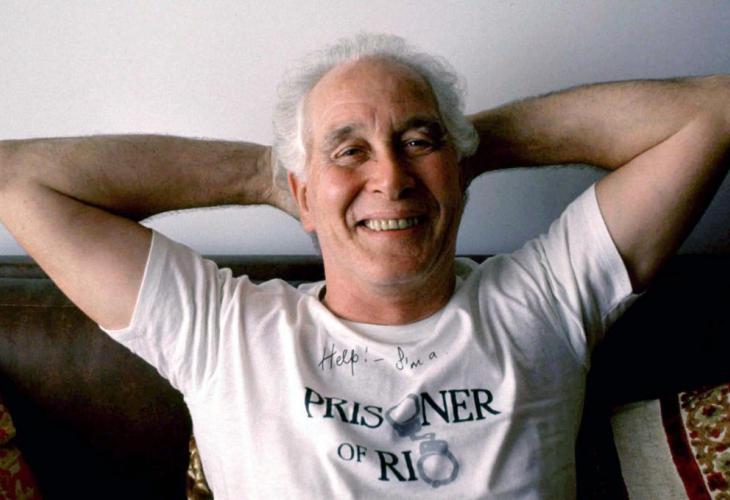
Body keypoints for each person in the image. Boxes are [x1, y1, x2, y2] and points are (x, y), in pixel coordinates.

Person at [0, 33, 727, 498]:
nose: (391, 178)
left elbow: (715, 110)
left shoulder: (543, 300)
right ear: (301, 194)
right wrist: (265, 175)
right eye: (351, 151)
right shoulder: (223, 330)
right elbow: (16, 177)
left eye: (416, 141)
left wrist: (467, 147)